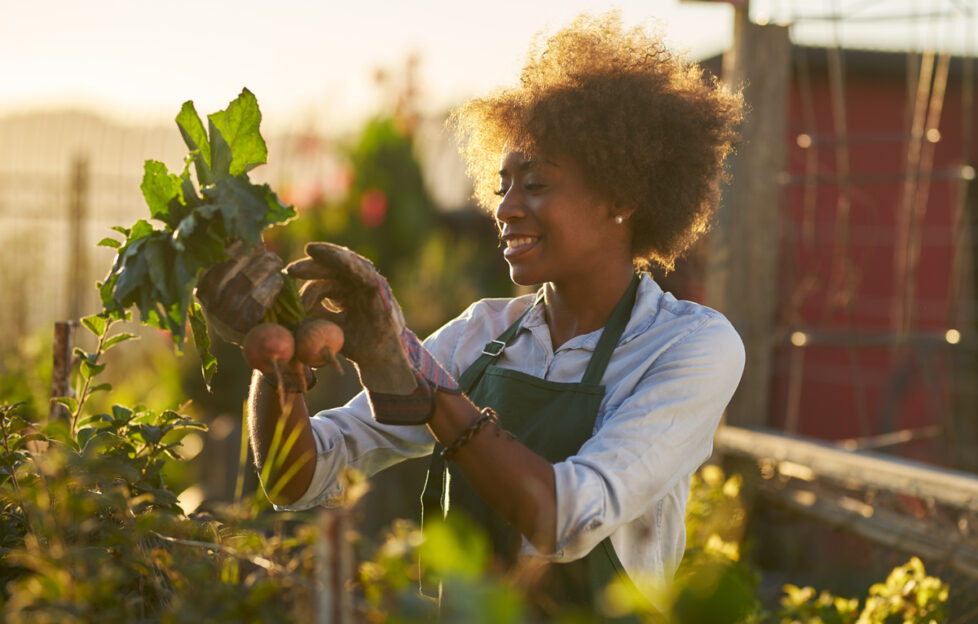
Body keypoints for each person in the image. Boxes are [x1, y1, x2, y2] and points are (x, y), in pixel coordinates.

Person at [211, 11, 745, 618]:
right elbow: (296, 480)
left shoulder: (688, 346)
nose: (506, 208)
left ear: (620, 196)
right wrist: (274, 352)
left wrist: (419, 377)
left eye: (536, 184)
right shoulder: (484, 334)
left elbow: (564, 518)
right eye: (503, 185)